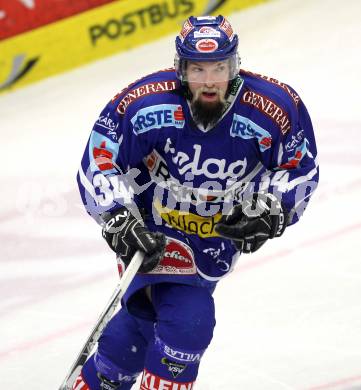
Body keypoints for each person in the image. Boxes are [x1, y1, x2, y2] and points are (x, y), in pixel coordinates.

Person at [76, 14, 319, 389]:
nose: (209, 80)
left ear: (235, 65)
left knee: (137, 336)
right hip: (154, 234)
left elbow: (299, 166)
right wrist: (117, 217)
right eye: (198, 69)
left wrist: (271, 208)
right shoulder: (145, 103)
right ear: (181, 68)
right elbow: (100, 157)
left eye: (219, 67)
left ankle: (100, 379)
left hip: (215, 242)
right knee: (189, 322)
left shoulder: (273, 108)